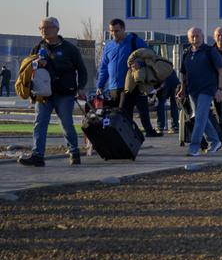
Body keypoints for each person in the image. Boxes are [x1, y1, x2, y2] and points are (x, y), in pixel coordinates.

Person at [19, 18, 88, 167]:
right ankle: (38, 155)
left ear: (57, 29)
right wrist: (31, 90)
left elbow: (82, 70)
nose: (44, 30)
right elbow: (29, 71)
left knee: (66, 124)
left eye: (48, 27)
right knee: (40, 124)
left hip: (64, 93)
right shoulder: (37, 48)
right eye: (41, 28)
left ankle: (74, 152)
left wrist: (81, 87)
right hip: (43, 94)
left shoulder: (69, 49)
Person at [95, 18, 159, 138]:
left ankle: (129, 138)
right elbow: (103, 67)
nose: (114, 34)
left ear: (124, 29)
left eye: (117, 31)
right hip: (113, 87)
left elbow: (151, 57)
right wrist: (100, 85)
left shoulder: (135, 41)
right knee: (115, 116)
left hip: (130, 86)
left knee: (124, 114)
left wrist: (140, 64)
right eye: (111, 31)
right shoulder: (108, 46)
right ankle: (120, 138)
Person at [177, 27, 222, 157]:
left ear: (202, 36)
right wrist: (182, 88)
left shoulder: (210, 51)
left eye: (197, 36)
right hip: (192, 91)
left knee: (199, 118)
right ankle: (215, 141)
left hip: (207, 90)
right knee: (202, 117)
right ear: (188, 38)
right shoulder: (187, 53)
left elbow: (221, 71)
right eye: (192, 36)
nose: (195, 38)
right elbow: (183, 73)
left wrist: (220, 89)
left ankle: (194, 147)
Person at [154, 68, 181, 134]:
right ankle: (175, 127)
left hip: (164, 83)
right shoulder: (162, 63)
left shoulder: (151, 63)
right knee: (174, 104)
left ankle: (160, 127)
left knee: (160, 103)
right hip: (175, 81)